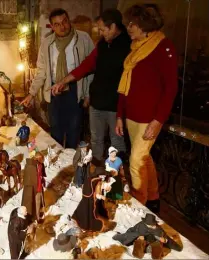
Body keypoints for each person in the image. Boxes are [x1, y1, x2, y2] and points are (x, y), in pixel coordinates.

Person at [115, 4, 178, 213]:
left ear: (145, 25)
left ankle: (138, 207)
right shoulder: (135, 48)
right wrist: (119, 116)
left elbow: (170, 89)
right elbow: (125, 88)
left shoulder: (163, 46)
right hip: (132, 116)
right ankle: (153, 198)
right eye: (128, 23)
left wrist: (158, 120)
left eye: (132, 24)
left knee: (135, 161)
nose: (128, 27)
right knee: (144, 158)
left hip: (149, 119)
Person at [51, 9, 131, 161]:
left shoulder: (129, 46)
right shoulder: (102, 44)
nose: (100, 33)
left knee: (117, 143)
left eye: (102, 29)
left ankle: (116, 179)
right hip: (97, 103)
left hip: (115, 105)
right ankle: (97, 175)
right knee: (96, 140)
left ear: (113, 27)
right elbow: (86, 65)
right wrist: (64, 81)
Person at [21, 8, 95, 149]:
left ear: (69, 21)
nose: (62, 27)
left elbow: (91, 68)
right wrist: (31, 93)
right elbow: (41, 71)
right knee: (56, 131)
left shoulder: (83, 39)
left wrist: (87, 94)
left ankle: (72, 164)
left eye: (65, 22)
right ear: (52, 26)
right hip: (54, 91)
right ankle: (57, 164)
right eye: (57, 24)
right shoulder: (47, 43)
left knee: (74, 130)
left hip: (75, 90)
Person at [113, 213, 182, 259]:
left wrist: (166, 240)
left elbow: (165, 238)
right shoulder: (141, 225)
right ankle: (117, 237)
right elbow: (132, 231)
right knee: (133, 238)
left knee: (156, 246)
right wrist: (138, 237)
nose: (149, 225)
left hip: (150, 241)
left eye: (151, 224)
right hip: (137, 238)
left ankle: (152, 251)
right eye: (148, 224)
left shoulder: (157, 229)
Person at [72, 166, 114, 232]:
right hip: (94, 200)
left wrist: (106, 188)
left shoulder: (97, 180)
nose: (104, 177)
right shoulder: (98, 182)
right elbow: (97, 194)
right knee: (90, 213)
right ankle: (89, 224)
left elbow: (102, 188)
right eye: (103, 175)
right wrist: (103, 197)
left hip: (92, 200)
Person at [21, 152, 46, 222]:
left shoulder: (40, 165)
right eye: (42, 159)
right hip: (31, 188)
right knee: (30, 203)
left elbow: (40, 174)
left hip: (38, 187)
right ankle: (30, 218)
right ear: (38, 158)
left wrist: (42, 179)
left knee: (38, 203)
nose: (43, 160)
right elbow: (27, 178)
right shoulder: (30, 166)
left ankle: (37, 217)